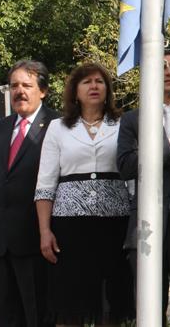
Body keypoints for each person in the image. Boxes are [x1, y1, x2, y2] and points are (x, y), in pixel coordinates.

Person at [34, 62, 134, 325]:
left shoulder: (123, 123)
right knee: (71, 301)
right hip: (70, 226)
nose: (94, 86)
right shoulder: (57, 127)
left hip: (114, 224)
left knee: (111, 301)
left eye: (99, 81)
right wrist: (45, 231)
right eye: (86, 82)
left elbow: (133, 174)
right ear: (75, 90)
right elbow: (45, 184)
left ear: (108, 89)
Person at [117, 49, 170, 327]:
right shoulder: (132, 120)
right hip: (145, 229)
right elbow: (126, 165)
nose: (168, 72)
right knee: (150, 310)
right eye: (161, 67)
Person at [0, 60, 58, 327]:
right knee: (5, 318)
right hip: (0, 244)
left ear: (42, 91)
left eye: (27, 85)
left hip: (37, 242)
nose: (19, 91)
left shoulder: (58, 125)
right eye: (14, 86)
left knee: (37, 317)